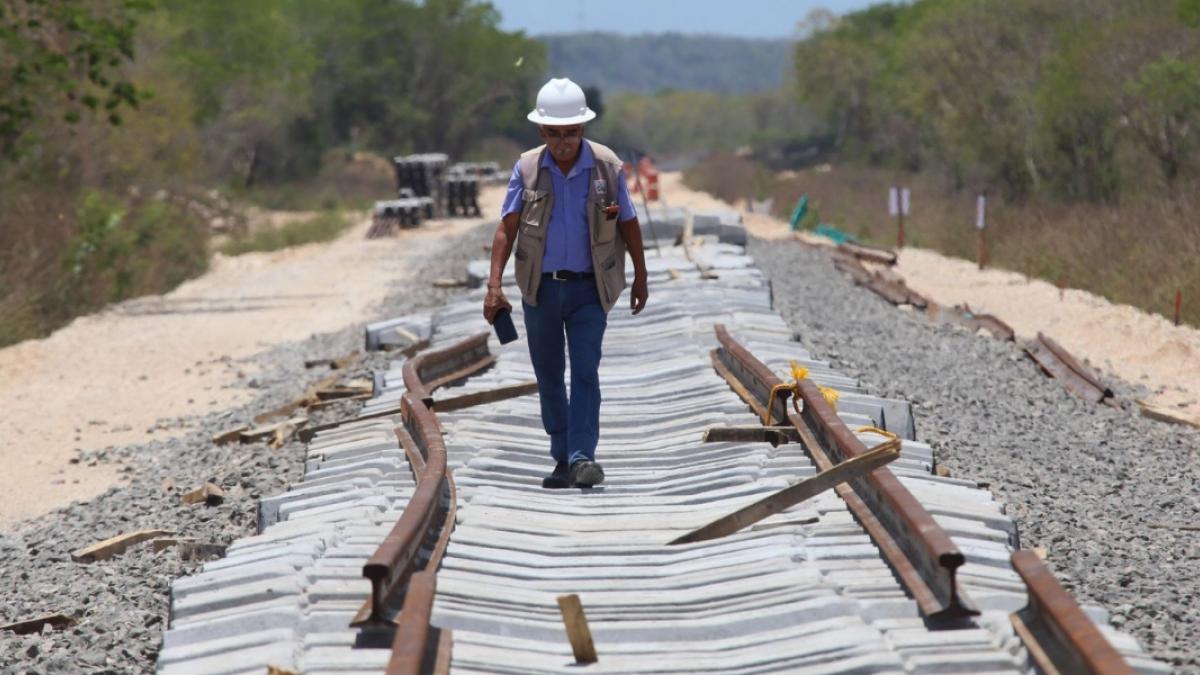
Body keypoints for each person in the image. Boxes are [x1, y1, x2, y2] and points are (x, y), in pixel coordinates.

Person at [482, 77, 649, 489]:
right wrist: (493, 285)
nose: (563, 142)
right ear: (542, 132)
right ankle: (562, 456)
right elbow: (507, 228)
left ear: (583, 130)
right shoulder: (527, 168)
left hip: (589, 290)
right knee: (550, 374)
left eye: (570, 133)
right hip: (540, 289)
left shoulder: (607, 167)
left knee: (586, 371)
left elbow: (628, 222)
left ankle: (582, 456)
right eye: (554, 134)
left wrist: (642, 277)